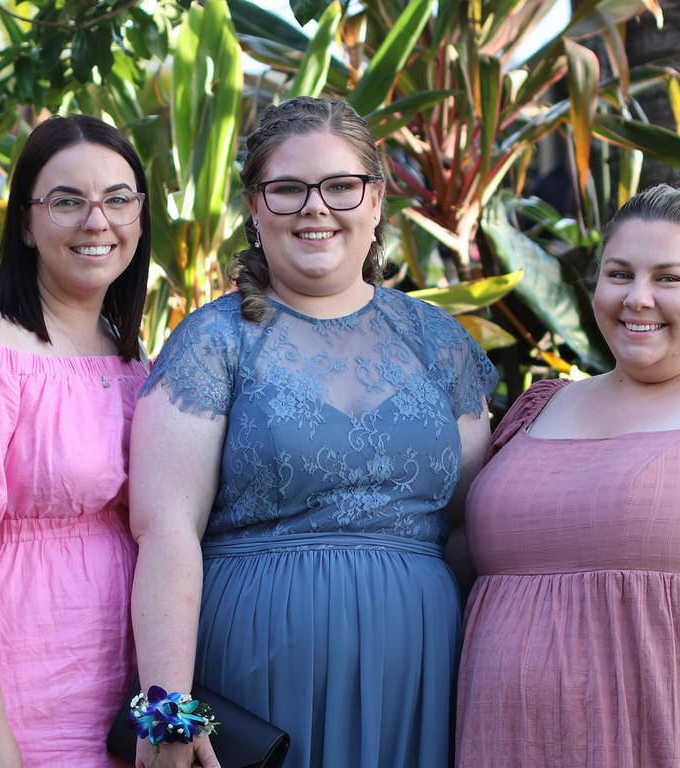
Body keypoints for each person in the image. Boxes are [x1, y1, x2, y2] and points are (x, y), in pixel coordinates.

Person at [128, 96, 496, 768]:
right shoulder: (213, 343)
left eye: (340, 186)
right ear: (255, 206)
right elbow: (164, 531)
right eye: (288, 188)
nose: (314, 207)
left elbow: (473, 530)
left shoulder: (440, 344)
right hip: (255, 665)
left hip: (420, 668)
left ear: (377, 201)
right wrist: (165, 710)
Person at [456, 182, 680, 767]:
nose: (638, 299)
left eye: (669, 278)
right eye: (619, 274)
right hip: (505, 741)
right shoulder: (534, 410)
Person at [0, 114, 151, 768]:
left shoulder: (133, 365)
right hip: (17, 694)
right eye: (67, 201)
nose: (97, 221)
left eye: (119, 199)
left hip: (116, 689)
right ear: (25, 222)